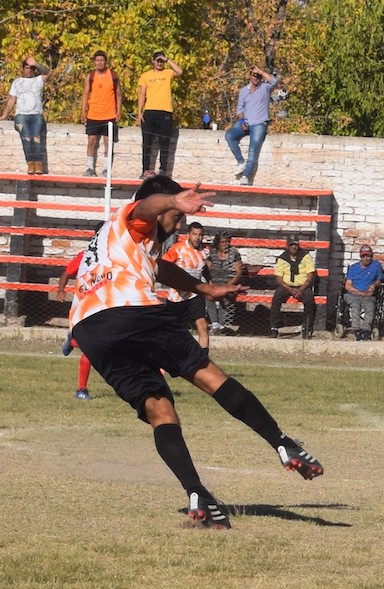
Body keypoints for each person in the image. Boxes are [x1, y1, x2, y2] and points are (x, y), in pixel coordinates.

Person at [68, 176, 323, 529]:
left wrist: (205, 289)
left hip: (89, 328)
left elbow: (162, 268)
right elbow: (145, 207)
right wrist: (172, 200)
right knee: (210, 377)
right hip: (129, 309)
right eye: (176, 215)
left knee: (159, 408)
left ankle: (197, 493)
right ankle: (282, 443)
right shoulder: (135, 217)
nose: (180, 222)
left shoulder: (121, 241)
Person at [225, 65, 279, 185]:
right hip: (245, 122)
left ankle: (246, 176)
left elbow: (274, 80)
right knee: (229, 135)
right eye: (254, 76)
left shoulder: (265, 88)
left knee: (253, 151)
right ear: (249, 77)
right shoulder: (244, 90)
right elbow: (239, 109)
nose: (256, 78)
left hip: (259, 123)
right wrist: (242, 120)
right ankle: (240, 161)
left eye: (258, 76)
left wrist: (260, 71)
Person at [162, 221, 211, 350]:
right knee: (172, 331)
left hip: (195, 292)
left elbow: (204, 268)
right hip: (176, 295)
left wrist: (210, 285)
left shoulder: (205, 251)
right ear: (189, 234)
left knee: (203, 326)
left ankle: (203, 363)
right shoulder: (177, 249)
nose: (197, 237)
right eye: (194, 234)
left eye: (200, 235)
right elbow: (163, 266)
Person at [56, 248, 96, 400]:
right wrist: (60, 290)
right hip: (84, 307)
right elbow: (66, 273)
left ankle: (73, 341)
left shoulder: (118, 255)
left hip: (105, 304)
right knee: (91, 347)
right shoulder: (85, 255)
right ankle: (81, 389)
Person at [0, 56, 51, 174]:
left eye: (32, 68)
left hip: (36, 114)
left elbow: (49, 73)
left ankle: (38, 164)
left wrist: (36, 63)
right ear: (23, 69)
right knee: (26, 138)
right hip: (21, 115)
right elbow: (11, 100)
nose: (29, 70)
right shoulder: (17, 82)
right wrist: (4, 115)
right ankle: (30, 163)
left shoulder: (38, 80)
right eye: (27, 68)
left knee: (36, 137)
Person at [137, 51, 183, 179]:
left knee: (164, 143)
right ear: (153, 61)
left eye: (161, 61)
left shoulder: (168, 73)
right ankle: (145, 170)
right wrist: (139, 112)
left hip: (165, 112)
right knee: (147, 142)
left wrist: (167, 59)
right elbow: (142, 94)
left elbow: (179, 72)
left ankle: (163, 171)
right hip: (150, 111)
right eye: (157, 60)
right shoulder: (146, 76)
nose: (159, 63)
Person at [80, 50, 122, 177]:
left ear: (105, 62)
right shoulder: (91, 76)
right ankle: (90, 168)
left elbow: (119, 94)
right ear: (94, 62)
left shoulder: (113, 75)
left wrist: (118, 110)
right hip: (93, 115)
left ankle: (106, 169)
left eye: (102, 60)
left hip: (109, 115)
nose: (99, 63)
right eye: (97, 60)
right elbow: (85, 94)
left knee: (108, 143)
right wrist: (83, 111)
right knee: (91, 141)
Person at [269, 234, 316, 339]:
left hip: (303, 286)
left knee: (310, 301)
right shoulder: (282, 259)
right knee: (276, 298)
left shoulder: (305, 256)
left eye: (295, 245)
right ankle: (274, 328)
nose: (294, 247)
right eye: (291, 245)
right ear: (287, 246)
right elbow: (279, 278)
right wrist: (289, 289)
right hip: (287, 286)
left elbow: (310, 275)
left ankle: (307, 327)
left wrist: (301, 289)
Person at [344, 245, 384, 341]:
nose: (366, 258)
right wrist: (359, 293)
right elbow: (348, 286)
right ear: (360, 257)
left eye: (369, 256)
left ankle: (366, 331)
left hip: (368, 295)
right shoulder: (354, 268)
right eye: (364, 256)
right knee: (355, 307)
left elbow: (379, 279)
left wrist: (373, 285)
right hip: (353, 294)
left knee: (370, 308)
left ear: (372, 256)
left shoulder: (376, 266)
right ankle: (357, 330)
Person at [206, 231, 243, 333]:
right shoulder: (212, 252)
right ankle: (214, 323)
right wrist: (210, 283)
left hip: (229, 282)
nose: (225, 244)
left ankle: (221, 324)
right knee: (208, 294)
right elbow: (207, 269)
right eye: (222, 242)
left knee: (226, 294)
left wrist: (228, 285)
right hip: (214, 282)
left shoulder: (234, 253)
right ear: (217, 243)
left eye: (227, 242)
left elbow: (238, 272)